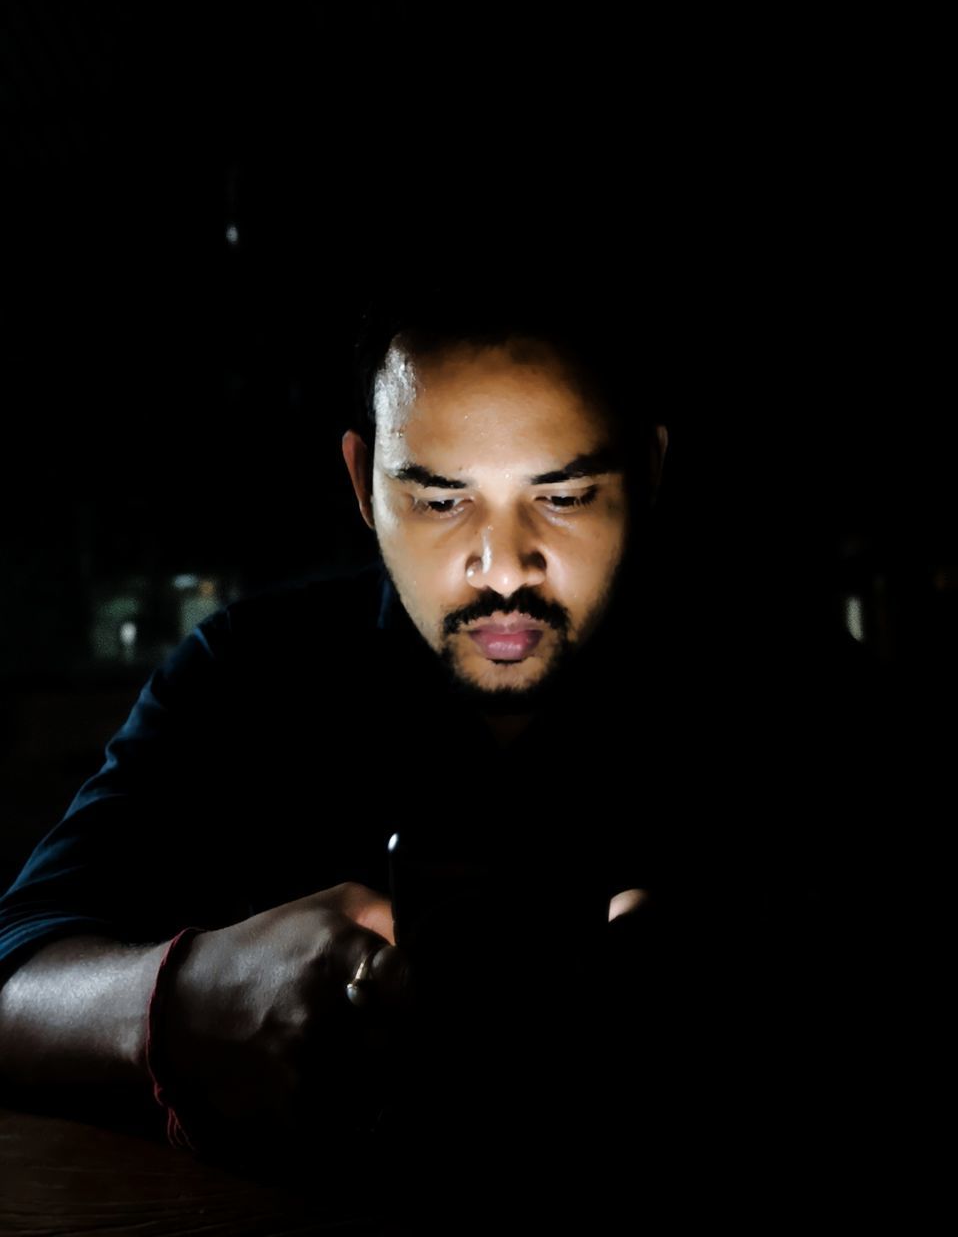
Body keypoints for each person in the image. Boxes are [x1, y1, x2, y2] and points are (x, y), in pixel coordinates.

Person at [0, 275, 912, 1225]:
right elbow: (13, 973)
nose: (504, 564)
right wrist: (185, 998)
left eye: (561, 495)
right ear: (362, 483)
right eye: (442, 503)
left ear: (646, 472)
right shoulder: (248, 677)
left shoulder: (792, 684)